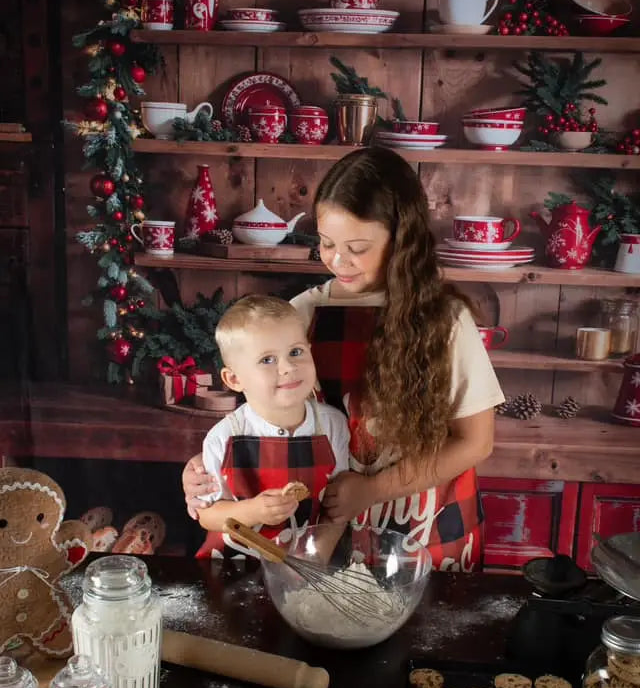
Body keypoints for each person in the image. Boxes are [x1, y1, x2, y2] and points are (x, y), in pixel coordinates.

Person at [184, 147, 504, 570]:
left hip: (430, 533)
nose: (337, 260)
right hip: (325, 536)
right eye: (327, 243)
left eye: (357, 247)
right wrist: (203, 470)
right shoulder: (301, 315)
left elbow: (475, 442)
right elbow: (262, 426)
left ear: (401, 239)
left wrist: (373, 489)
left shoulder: (446, 320)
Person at [192, 295, 350, 558]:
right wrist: (252, 511)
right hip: (238, 560)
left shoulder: (332, 425)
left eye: (296, 352)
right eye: (268, 360)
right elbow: (207, 515)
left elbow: (338, 505)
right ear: (234, 378)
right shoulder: (224, 436)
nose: (288, 367)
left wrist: (316, 558)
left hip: (308, 559)